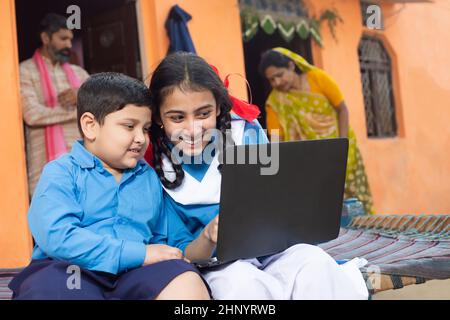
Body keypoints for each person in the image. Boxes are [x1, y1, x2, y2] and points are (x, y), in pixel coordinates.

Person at [149, 52, 369, 300]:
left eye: (203, 114)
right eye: (177, 117)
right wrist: (208, 236)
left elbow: (280, 203)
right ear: (158, 116)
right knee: (240, 285)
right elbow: (185, 254)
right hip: (217, 267)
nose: (193, 128)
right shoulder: (154, 168)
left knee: (314, 264)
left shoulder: (245, 134)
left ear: (219, 107)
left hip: (275, 252)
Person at [8, 73, 210, 300]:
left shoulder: (148, 178)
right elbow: (58, 236)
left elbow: (172, 243)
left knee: (184, 279)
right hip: (72, 270)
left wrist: (207, 237)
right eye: (129, 126)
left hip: (133, 274)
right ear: (90, 126)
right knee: (57, 289)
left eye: (144, 129)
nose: (141, 138)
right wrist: (138, 253)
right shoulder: (62, 172)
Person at [259, 47, 374, 214]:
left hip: (342, 148)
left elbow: (342, 109)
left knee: (354, 200)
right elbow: (276, 140)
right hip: (309, 162)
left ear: (291, 66)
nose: (276, 83)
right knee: (323, 207)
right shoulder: (275, 102)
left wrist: (342, 146)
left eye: (279, 75)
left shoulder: (318, 78)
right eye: (271, 80)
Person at [20, 13, 90, 195]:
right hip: (44, 165)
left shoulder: (80, 74)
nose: (69, 44)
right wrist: (78, 112)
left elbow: (101, 109)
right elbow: (32, 115)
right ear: (45, 38)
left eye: (70, 39)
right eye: (63, 38)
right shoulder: (25, 71)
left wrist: (81, 96)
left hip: (83, 161)